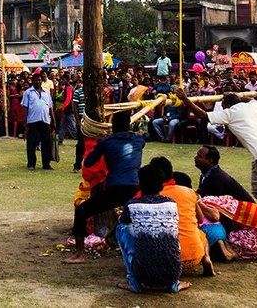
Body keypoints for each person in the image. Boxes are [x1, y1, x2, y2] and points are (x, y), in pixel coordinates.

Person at [176, 88, 257, 235]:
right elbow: (250, 99)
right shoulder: (252, 105)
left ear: (227, 105)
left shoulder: (230, 113)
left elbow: (203, 115)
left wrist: (185, 99)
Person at [65, 112, 144, 264]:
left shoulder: (106, 142)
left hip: (115, 186)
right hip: (135, 187)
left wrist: (100, 143)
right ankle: (116, 236)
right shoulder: (139, 139)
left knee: (82, 211)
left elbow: (88, 163)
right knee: (130, 216)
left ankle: (79, 254)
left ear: (113, 126)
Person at [115, 164, 189, 294]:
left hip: (143, 273)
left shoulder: (132, 204)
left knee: (121, 228)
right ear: (161, 185)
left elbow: (123, 222)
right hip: (172, 272)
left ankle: (133, 282)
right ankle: (174, 284)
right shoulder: (171, 203)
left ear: (140, 184)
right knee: (170, 233)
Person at [150, 157, 215, 276]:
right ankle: (206, 258)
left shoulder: (151, 195)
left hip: (166, 260)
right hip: (194, 257)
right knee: (201, 234)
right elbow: (200, 219)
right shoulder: (189, 192)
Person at [20, 76, 54, 170]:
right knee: (31, 143)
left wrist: (53, 120)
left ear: (41, 81)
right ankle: (31, 164)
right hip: (32, 120)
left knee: (46, 143)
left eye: (39, 80)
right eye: (36, 80)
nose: (38, 81)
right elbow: (25, 107)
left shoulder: (46, 92)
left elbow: (50, 107)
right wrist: (25, 121)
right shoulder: (28, 92)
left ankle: (46, 164)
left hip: (45, 119)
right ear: (33, 81)